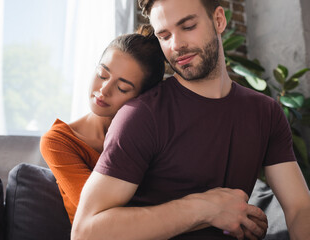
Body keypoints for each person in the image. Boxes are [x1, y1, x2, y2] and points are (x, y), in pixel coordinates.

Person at [71, 0, 310, 240]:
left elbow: (299, 209)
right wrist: (203, 209)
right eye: (164, 36)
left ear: (218, 20)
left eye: (187, 26)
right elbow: (85, 232)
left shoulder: (266, 112)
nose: (176, 45)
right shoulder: (141, 116)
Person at [40, 30, 165, 224]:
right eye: (102, 74)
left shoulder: (150, 139)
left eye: (122, 88)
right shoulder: (59, 141)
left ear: (143, 97)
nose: (104, 90)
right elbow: (95, 215)